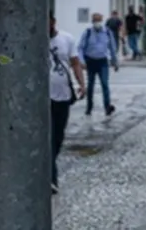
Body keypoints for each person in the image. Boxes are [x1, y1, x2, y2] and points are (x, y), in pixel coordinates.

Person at [49, 13, 84, 195]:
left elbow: (75, 63)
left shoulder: (66, 39)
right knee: (47, 138)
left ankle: (48, 170)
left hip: (62, 95)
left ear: (53, 22)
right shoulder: (32, 39)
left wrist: (81, 84)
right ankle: (51, 177)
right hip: (42, 98)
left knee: (57, 136)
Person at [78, 13, 117, 117]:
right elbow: (81, 47)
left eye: (99, 20)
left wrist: (115, 62)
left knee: (104, 84)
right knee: (90, 85)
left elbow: (112, 47)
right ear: (92, 22)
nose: (97, 23)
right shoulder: (88, 32)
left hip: (103, 62)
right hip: (90, 61)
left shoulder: (107, 32)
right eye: (95, 21)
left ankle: (107, 107)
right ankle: (89, 107)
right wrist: (82, 61)